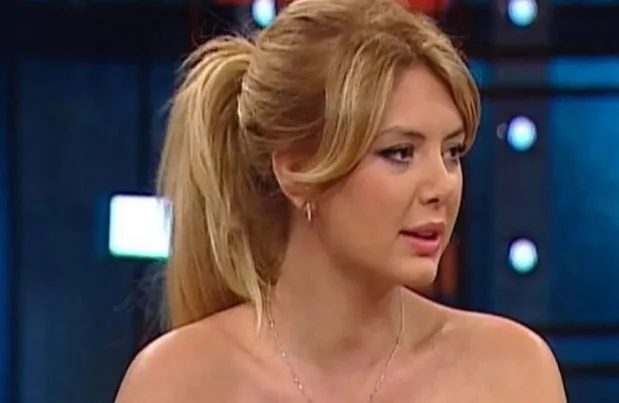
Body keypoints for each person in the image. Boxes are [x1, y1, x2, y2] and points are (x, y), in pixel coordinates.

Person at [115, 0, 567, 401]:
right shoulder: (175, 383)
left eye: (452, 152)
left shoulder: (511, 372)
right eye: (399, 153)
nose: (442, 186)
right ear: (296, 171)